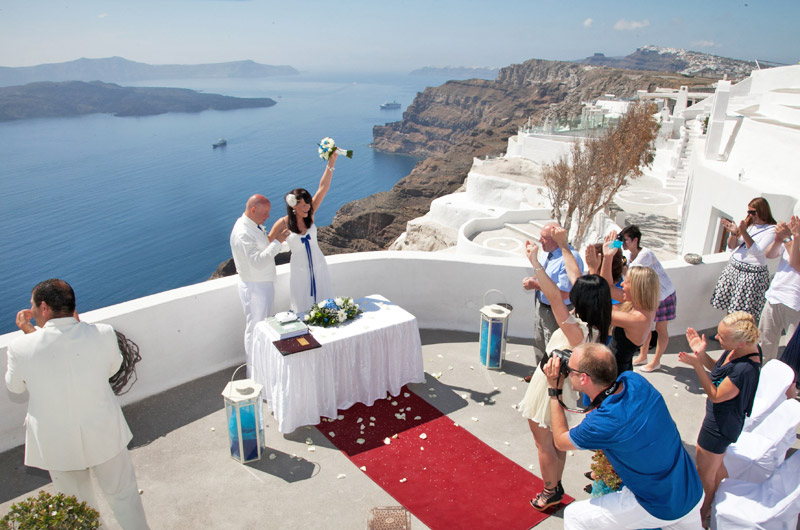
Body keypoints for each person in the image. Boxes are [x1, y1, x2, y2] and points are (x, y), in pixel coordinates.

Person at [5, 279, 150, 530]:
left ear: (44, 308)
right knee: (124, 496)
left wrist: (30, 334)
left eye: (32, 305)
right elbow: (111, 368)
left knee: (77, 507)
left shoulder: (20, 347)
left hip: (57, 441)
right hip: (104, 431)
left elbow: (15, 387)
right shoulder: (104, 334)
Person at [543, 342, 704, 529]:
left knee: (575, 516)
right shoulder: (634, 381)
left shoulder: (605, 422)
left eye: (570, 369)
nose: (567, 372)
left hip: (657, 504)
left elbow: (561, 441)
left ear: (584, 378)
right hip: (690, 489)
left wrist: (555, 391)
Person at [519, 229, 612, 511]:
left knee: (544, 441)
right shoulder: (598, 324)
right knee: (555, 441)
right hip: (561, 382)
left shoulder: (576, 330)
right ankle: (555, 484)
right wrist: (564, 246)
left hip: (550, 383)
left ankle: (550, 490)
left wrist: (535, 262)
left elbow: (554, 296)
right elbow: (575, 276)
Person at [678, 312, 762, 525]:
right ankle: (725, 499)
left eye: (722, 337)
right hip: (721, 420)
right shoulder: (739, 350)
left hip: (720, 427)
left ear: (742, 343)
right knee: (715, 467)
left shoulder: (744, 369)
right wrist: (702, 354)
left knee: (705, 473)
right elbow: (719, 371)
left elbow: (716, 395)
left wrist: (697, 365)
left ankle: (704, 514)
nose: (716, 337)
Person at [270, 151, 337, 313]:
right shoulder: (282, 223)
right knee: (303, 304)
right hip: (300, 270)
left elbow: (323, 187)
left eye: (308, 203)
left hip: (318, 264)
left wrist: (331, 163)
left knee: (325, 302)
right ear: (293, 207)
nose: (308, 207)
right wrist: (281, 243)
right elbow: (267, 243)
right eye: (303, 205)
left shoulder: (310, 215)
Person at [230, 194, 289, 374]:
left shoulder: (252, 226)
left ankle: (263, 366)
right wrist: (278, 242)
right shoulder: (243, 233)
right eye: (265, 213)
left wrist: (285, 245)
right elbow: (257, 261)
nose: (268, 217)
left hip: (262, 283)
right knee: (256, 328)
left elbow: (263, 249)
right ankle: (255, 372)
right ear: (253, 210)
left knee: (262, 327)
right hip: (255, 287)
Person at [521, 222, 584, 379]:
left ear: (556, 239)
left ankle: (552, 379)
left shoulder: (569, 258)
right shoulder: (547, 253)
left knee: (553, 346)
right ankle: (539, 375)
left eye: (544, 238)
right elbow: (546, 277)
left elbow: (564, 293)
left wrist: (535, 284)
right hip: (541, 306)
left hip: (556, 312)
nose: (540, 240)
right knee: (539, 342)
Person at [618, 225, 677, 372]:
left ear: (635, 240)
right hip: (649, 295)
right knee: (647, 328)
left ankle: (656, 361)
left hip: (663, 295)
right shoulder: (630, 256)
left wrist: (616, 249)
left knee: (660, 329)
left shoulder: (646, 254)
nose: (623, 244)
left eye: (624, 240)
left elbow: (631, 273)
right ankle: (643, 356)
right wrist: (615, 243)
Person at [711, 197, 777, 323]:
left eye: (753, 212)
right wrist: (734, 233)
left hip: (751, 274)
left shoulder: (771, 230)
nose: (750, 215)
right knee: (731, 305)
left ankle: (738, 337)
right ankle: (727, 331)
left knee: (743, 311)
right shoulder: (750, 225)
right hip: (735, 270)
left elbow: (758, 250)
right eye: (749, 212)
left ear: (762, 211)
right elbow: (731, 246)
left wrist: (743, 232)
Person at [600, 232, 659, 373]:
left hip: (614, 371)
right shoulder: (643, 306)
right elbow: (607, 288)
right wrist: (608, 256)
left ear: (637, 289)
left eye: (626, 283)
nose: (621, 285)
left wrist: (592, 267)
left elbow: (601, 302)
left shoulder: (636, 318)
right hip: (621, 365)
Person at [759, 215, 800, 361]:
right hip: (775, 296)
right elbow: (770, 254)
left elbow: (797, 264)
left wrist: (789, 238)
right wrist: (778, 240)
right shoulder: (791, 237)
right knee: (764, 344)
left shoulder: (792, 238)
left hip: (795, 303)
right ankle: (761, 378)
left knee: (792, 351)